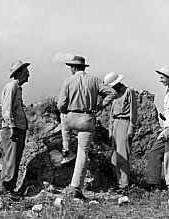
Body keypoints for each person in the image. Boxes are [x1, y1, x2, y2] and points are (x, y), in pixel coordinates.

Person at [57, 55, 117, 200]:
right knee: (83, 152)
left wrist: (65, 110)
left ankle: (66, 146)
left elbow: (60, 105)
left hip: (71, 117)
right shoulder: (94, 80)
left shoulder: (68, 81)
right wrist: (100, 106)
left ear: (73, 68)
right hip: (86, 118)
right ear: (84, 67)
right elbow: (112, 93)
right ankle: (76, 186)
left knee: (63, 119)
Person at [146, 66, 169, 193]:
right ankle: (154, 184)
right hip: (168, 125)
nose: (160, 80)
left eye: (162, 78)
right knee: (154, 153)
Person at [0, 60, 30, 199]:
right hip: (13, 128)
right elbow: (6, 109)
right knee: (11, 159)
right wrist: (12, 127)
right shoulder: (12, 87)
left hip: (17, 127)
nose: (28, 74)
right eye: (25, 72)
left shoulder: (17, 87)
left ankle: (6, 189)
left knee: (12, 158)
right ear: (19, 73)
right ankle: (7, 190)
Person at [103, 72, 137, 195]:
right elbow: (112, 113)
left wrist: (131, 127)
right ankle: (118, 182)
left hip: (125, 122)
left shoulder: (129, 91)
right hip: (116, 123)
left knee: (123, 155)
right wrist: (111, 128)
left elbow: (133, 111)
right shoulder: (114, 94)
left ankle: (124, 185)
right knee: (114, 157)